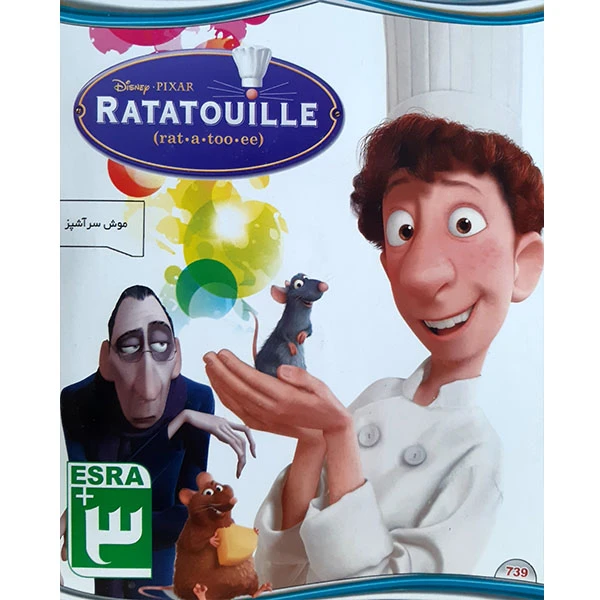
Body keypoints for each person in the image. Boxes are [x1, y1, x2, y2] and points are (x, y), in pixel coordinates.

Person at [202, 113, 544, 587]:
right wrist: (313, 440)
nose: (421, 272)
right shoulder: (378, 395)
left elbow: (391, 591)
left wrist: (338, 434)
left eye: (463, 224)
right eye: (403, 231)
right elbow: (278, 571)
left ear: (524, 264)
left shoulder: (478, 450)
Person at [60, 285, 255, 598]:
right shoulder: (78, 401)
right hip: (107, 575)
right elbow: (91, 516)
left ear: (177, 356)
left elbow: (187, 515)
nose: (148, 390)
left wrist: (102, 516)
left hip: (165, 575)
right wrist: (177, 425)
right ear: (105, 360)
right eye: (129, 347)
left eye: (161, 345)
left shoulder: (196, 400)